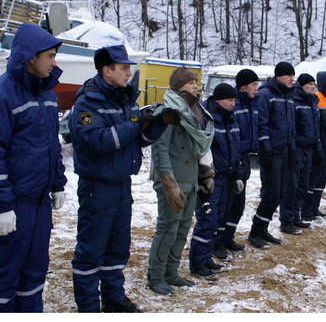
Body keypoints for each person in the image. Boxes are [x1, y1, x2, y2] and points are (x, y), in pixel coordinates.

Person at [69, 45, 178, 313]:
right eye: (124, 68)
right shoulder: (87, 103)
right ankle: (88, 307)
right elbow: (96, 141)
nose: (130, 73)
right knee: (91, 249)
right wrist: (135, 123)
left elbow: (135, 140)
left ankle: (114, 298)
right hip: (97, 187)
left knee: (118, 247)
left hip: (121, 185)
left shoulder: (124, 99)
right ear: (107, 70)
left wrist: (156, 125)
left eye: (130, 67)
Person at [0, 23, 66, 313]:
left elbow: (52, 144)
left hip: (39, 204)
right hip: (14, 205)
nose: (54, 63)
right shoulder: (4, 94)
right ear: (29, 57)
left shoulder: (47, 94)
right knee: (5, 278)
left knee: (34, 275)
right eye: (49, 56)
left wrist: (58, 183)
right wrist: (3, 205)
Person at [147, 67, 214, 294]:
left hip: (191, 179)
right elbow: (160, 149)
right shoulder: (168, 111)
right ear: (179, 85)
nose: (196, 86)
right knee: (167, 229)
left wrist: (206, 173)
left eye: (196, 81)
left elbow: (201, 147)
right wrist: (168, 183)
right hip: (173, 180)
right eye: (191, 82)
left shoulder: (195, 111)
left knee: (183, 228)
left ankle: (171, 273)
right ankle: (156, 277)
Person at [189, 83, 243, 280]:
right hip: (210, 179)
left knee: (217, 220)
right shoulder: (207, 119)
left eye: (235, 100)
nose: (233, 104)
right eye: (230, 100)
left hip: (227, 178)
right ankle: (197, 263)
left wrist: (238, 174)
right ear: (218, 99)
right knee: (207, 220)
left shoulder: (231, 119)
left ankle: (207, 257)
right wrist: (204, 176)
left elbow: (235, 150)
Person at [248, 62, 296, 249]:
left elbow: (291, 126)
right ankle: (255, 232)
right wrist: (266, 149)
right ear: (278, 76)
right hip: (272, 152)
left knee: (279, 193)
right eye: (289, 75)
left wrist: (292, 148)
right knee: (271, 193)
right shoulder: (265, 95)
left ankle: (263, 229)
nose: (292, 78)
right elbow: (262, 124)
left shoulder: (288, 96)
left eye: (293, 75)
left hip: (284, 151)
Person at [218, 68, 259, 256]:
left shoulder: (252, 104)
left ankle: (228, 237)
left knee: (238, 203)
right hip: (233, 160)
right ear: (243, 86)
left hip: (244, 159)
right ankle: (217, 241)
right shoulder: (235, 105)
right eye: (254, 85)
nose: (256, 89)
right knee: (226, 203)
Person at [279, 73, 321, 233]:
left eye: (314, 84)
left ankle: (296, 217)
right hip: (296, 150)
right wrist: (293, 148)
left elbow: (316, 127)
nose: (312, 87)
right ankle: (286, 221)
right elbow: (292, 128)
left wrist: (316, 145)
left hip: (308, 150)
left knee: (302, 186)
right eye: (309, 84)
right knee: (291, 186)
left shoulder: (312, 103)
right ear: (302, 85)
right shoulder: (294, 102)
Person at [302, 70, 326, 220]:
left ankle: (314, 208)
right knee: (312, 179)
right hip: (318, 147)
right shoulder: (317, 99)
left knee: (321, 180)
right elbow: (315, 125)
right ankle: (306, 210)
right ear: (324, 83)